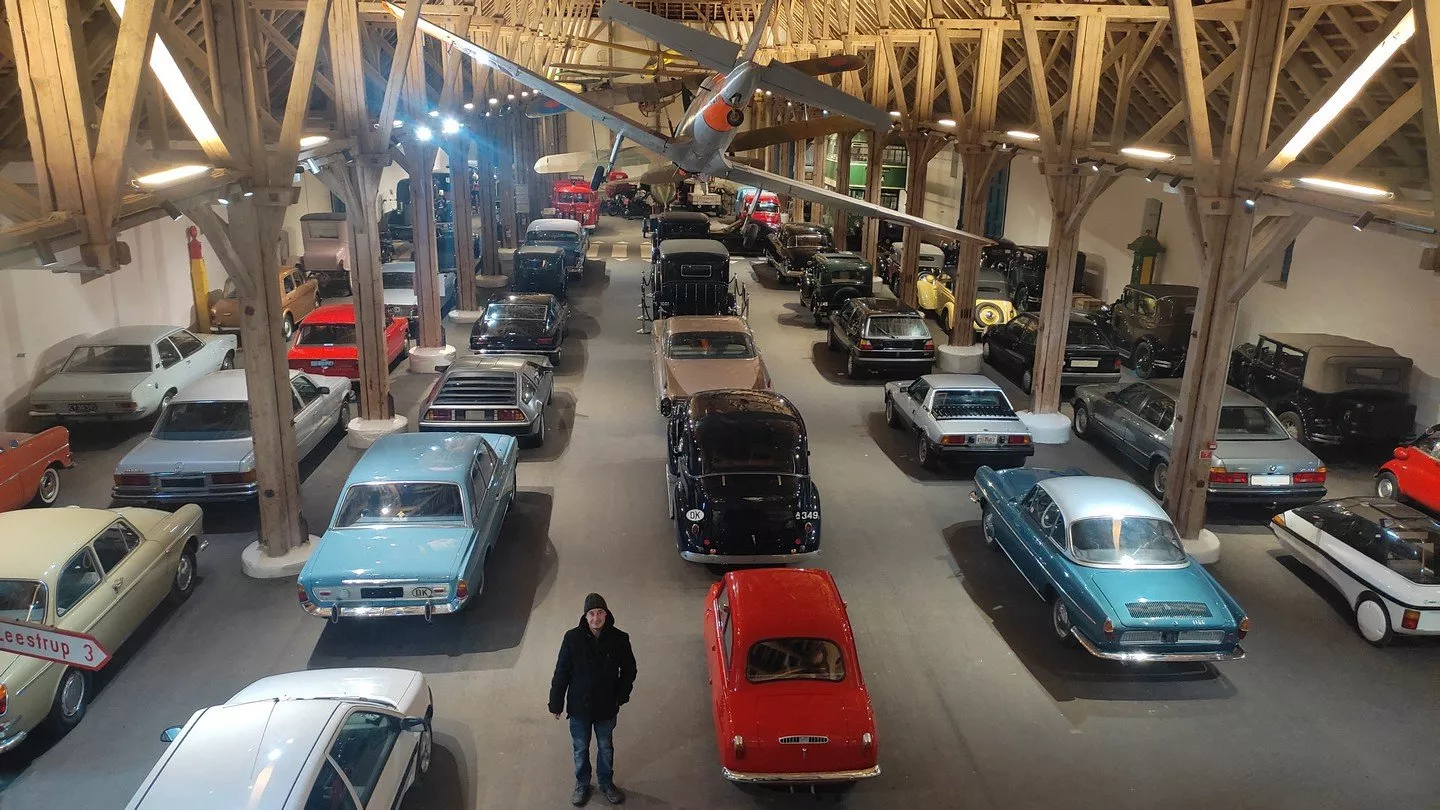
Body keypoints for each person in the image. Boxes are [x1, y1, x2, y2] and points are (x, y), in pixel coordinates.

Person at [549, 593, 637, 806]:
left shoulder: (619, 639)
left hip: (606, 706)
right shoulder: (572, 638)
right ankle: (582, 784)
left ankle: (606, 783)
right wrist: (556, 703)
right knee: (580, 748)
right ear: (585, 616)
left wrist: (621, 696)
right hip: (580, 707)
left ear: (606, 614)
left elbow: (629, 670)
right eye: (591, 614)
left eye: (600, 613)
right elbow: (562, 671)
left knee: (605, 747)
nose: (596, 618)